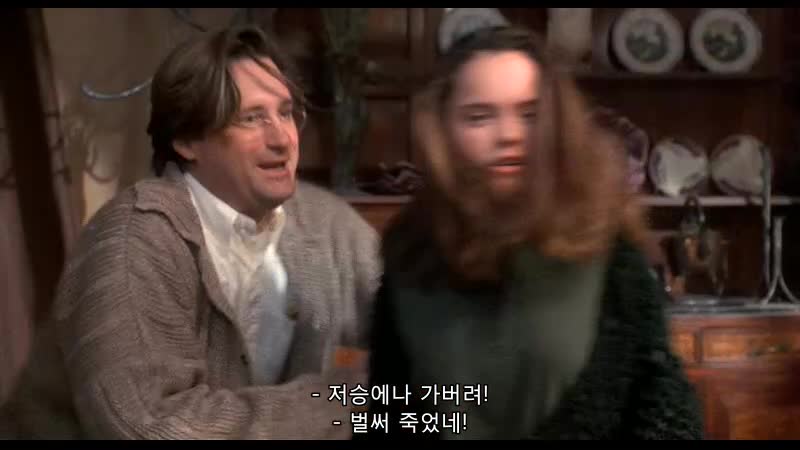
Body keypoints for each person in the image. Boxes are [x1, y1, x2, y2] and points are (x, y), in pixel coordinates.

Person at [0, 25, 380, 439]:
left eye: (286, 113)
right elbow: (148, 426)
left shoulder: (323, 222)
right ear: (186, 140)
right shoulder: (135, 240)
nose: (282, 139)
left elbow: (408, 313)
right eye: (252, 118)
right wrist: (341, 403)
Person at [364, 26, 703, 440]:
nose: (509, 135)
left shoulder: (607, 246)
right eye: (479, 116)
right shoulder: (410, 253)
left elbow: (666, 413)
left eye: (529, 115)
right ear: (444, 130)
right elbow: (386, 417)